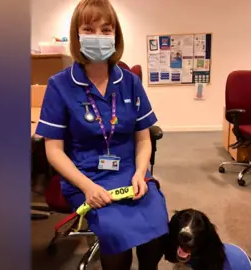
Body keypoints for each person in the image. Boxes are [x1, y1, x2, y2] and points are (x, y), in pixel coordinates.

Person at [35, 0, 169, 269]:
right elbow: (53, 150)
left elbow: (143, 138)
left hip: (130, 173)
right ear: (77, 35)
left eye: (106, 30)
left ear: (116, 35)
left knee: (158, 228)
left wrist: (140, 173)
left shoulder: (129, 81)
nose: (98, 37)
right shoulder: (59, 85)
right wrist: (87, 187)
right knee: (116, 234)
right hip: (85, 175)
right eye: (89, 29)